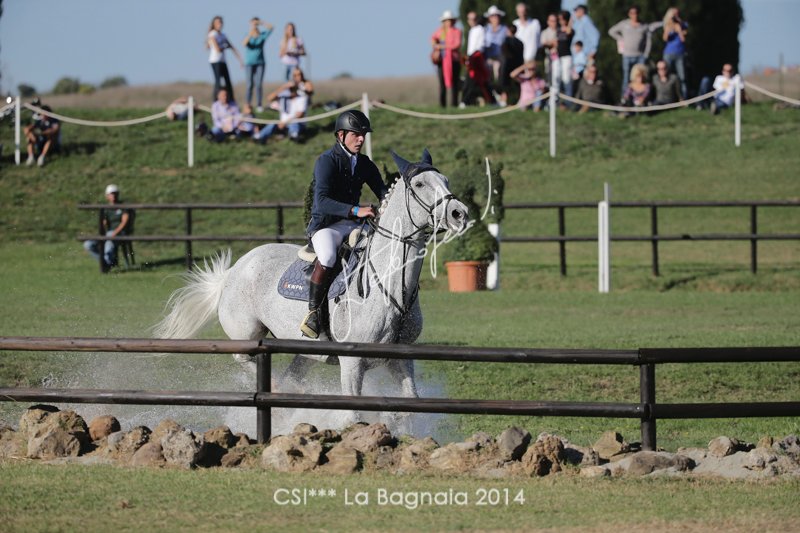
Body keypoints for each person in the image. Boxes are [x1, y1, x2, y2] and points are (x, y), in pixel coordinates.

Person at [300, 110, 388, 339]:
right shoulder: (326, 161)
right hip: (325, 226)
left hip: (352, 225)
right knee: (328, 256)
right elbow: (321, 201)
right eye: (356, 134)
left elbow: (383, 193)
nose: (361, 139)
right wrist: (356, 210)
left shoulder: (365, 164)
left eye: (363, 135)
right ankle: (313, 314)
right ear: (341, 135)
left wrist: (389, 206)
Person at [608, 5, 661, 99]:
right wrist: (621, 38)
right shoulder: (624, 24)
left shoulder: (643, 26)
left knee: (642, 77)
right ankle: (624, 98)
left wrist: (646, 54)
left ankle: (643, 98)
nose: (634, 15)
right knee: (626, 78)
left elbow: (648, 40)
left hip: (640, 56)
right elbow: (611, 31)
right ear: (629, 14)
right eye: (632, 13)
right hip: (627, 56)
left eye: (636, 13)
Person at [83, 184, 131, 273]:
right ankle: (106, 263)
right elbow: (104, 223)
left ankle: (107, 264)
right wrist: (102, 233)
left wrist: (115, 232)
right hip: (108, 233)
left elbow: (124, 222)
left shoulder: (123, 206)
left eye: (115, 193)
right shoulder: (106, 209)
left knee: (109, 238)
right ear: (107, 196)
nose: (113, 196)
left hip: (120, 233)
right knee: (88, 244)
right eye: (111, 194)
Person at [207, 16, 244, 103]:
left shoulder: (223, 35)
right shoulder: (212, 34)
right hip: (215, 61)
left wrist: (240, 60)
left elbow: (232, 47)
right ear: (214, 24)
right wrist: (224, 46)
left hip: (223, 61)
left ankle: (231, 100)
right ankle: (216, 101)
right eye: (217, 23)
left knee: (228, 81)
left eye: (220, 22)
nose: (219, 24)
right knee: (218, 81)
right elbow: (217, 49)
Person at [460, 11, 493, 107]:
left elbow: (480, 46)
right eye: (470, 19)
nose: (472, 21)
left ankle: (465, 102)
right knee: (475, 80)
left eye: (474, 19)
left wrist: (472, 57)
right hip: (472, 58)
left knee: (473, 80)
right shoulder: (472, 30)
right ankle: (466, 101)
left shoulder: (480, 29)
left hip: (477, 58)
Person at [430, 10, 462, 108]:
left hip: (454, 60)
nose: (449, 22)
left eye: (450, 20)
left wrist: (443, 47)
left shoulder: (457, 31)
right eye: (447, 20)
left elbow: (456, 45)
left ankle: (454, 104)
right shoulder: (440, 31)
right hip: (442, 61)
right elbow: (432, 39)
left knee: (455, 83)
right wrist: (436, 46)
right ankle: (442, 105)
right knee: (442, 83)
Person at [242, 16, 274, 112]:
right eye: (253, 23)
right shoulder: (247, 35)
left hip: (260, 63)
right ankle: (247, 104)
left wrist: (261, 23)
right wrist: (251, 32)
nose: (255, 25)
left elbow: (271, 27)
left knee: (259, 84)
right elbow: (244, 44)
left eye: (256, 24)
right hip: (249, 63)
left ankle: (259, 104)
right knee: (249, 84)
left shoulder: (262, 35)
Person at [662, 7, 688, 99]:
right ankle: (669, 97)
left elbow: (683, 39)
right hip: (668, 53)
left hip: (680, 53)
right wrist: (669, 28)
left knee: (682, 76)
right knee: (667, 75)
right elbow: (665, 38)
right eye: (674, 14)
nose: (676, 16)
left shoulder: (683, 24)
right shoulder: (667, 25)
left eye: (677, 14)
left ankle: (684, 97)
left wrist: (679, 29)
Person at [499, 24, 524, 106]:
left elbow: (504, 53)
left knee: (505, 85)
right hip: (517, 66)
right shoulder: (520, 42)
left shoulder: (506, 41)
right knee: (517, 85)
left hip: (507, 66)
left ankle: (504, 100)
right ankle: (516, 100)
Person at [483, 5, 507, 85]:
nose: (495, 17)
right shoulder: (485, 29)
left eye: (497, 15)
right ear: (489, 18)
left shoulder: (505, 29)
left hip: (501, 58)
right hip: (487, 58)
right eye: (492, 16)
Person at [539, 13, 558, 90]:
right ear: (548, 22)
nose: (554, 23)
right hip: (549, 58)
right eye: (552, 21)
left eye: (555, 21)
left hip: (559, 59)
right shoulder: (545, 32)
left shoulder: (559, 31)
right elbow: (544, 43)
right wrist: (553, 42)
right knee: (549, 77)